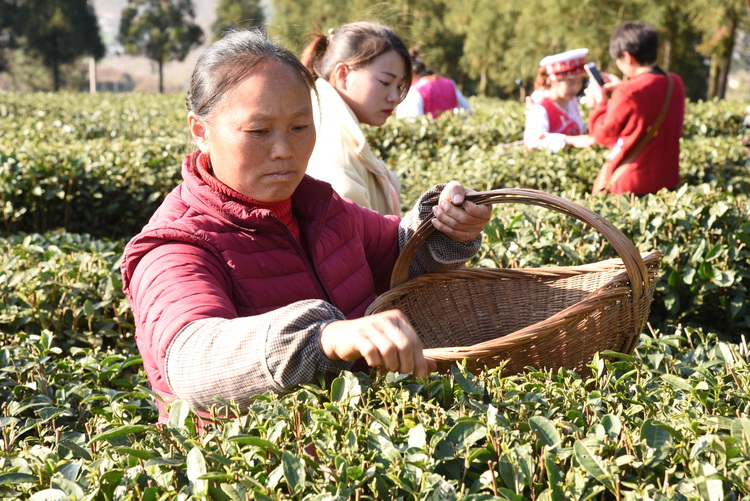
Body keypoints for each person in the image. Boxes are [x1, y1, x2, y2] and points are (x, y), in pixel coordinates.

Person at [120, 29, 493, 423]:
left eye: (300, 127)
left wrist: (445, 225)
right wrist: (322, 336)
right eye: (258, 131)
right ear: (201, 131)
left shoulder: (319, 207)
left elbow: (397, 251)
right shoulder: (176, 244)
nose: (284, 150)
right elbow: (191, 360)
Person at [300, 22, 409, 216]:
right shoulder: (334, 144)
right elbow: (350, 239)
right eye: (385, 82)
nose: (394, 97)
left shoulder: (326, 121)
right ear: (342, 74)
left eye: (399, 86)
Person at [588, 22, 685, 195]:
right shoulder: (675, 82)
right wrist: (622, 88)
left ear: (627, 57)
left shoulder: (627, 92)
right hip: (667, 180)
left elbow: (602, 134)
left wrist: (599, 101)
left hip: (632, 185)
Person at [523, 48, 595, 153]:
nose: (576, 88)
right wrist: (570, 140)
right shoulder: (540, 106)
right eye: (571, 83)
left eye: (579, 82)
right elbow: (533, 140)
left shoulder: (571, 100)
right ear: (554, 80)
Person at [396, 47, 471, 119]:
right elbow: (467, 110)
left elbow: (415, 121)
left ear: (411, 73)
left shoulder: (416, 90)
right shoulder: (450, 84)